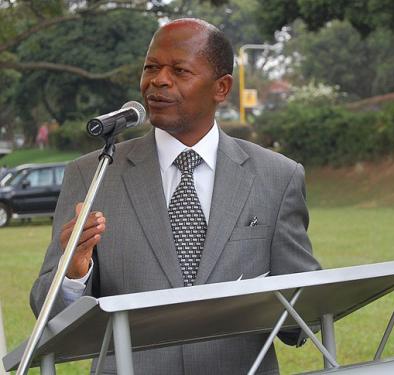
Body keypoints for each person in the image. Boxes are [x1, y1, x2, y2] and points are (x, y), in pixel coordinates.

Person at [30, 18, 320, 374]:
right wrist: (74, 273)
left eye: (179, 70)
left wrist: (284, 306)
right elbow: (48, 312)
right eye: (151, 67)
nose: (158, 80)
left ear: (221, 88)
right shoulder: (92, 173)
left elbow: (303, 314)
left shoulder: (278, 176)